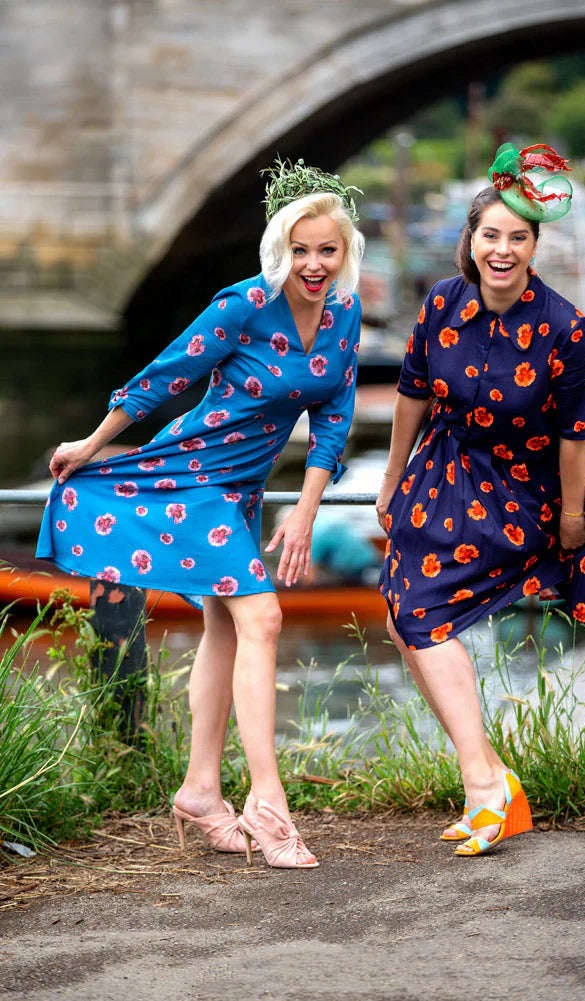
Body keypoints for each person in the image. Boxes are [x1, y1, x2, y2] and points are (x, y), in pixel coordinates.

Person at [37, 158, 365, 870]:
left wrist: (304, 512)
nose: (312, 264)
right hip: (189, 476)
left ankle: (199, 789)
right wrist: (93, 443)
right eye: (299, 249)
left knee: (224, 623)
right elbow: (167, 374)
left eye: (326, 250)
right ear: (280, 248)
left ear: (346, 253)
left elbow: (333, 419)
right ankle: (269, 802)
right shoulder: (242, 303)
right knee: (264, 617)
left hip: (241, 492)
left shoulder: (344, 314)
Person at [376, 143, 585, 857]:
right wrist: (390, 481)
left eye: (518, 237)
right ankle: (484, 780)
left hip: (526, 487)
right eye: (491, 235)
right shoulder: (439, 304)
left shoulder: (565, 325)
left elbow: (575, 433)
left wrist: (573, 517)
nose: (502, 249)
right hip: (444, 474)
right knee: (401, 617)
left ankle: (486, 785)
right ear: (470, 240)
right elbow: (410, 397)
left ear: (534, 245)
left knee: (419, 612)